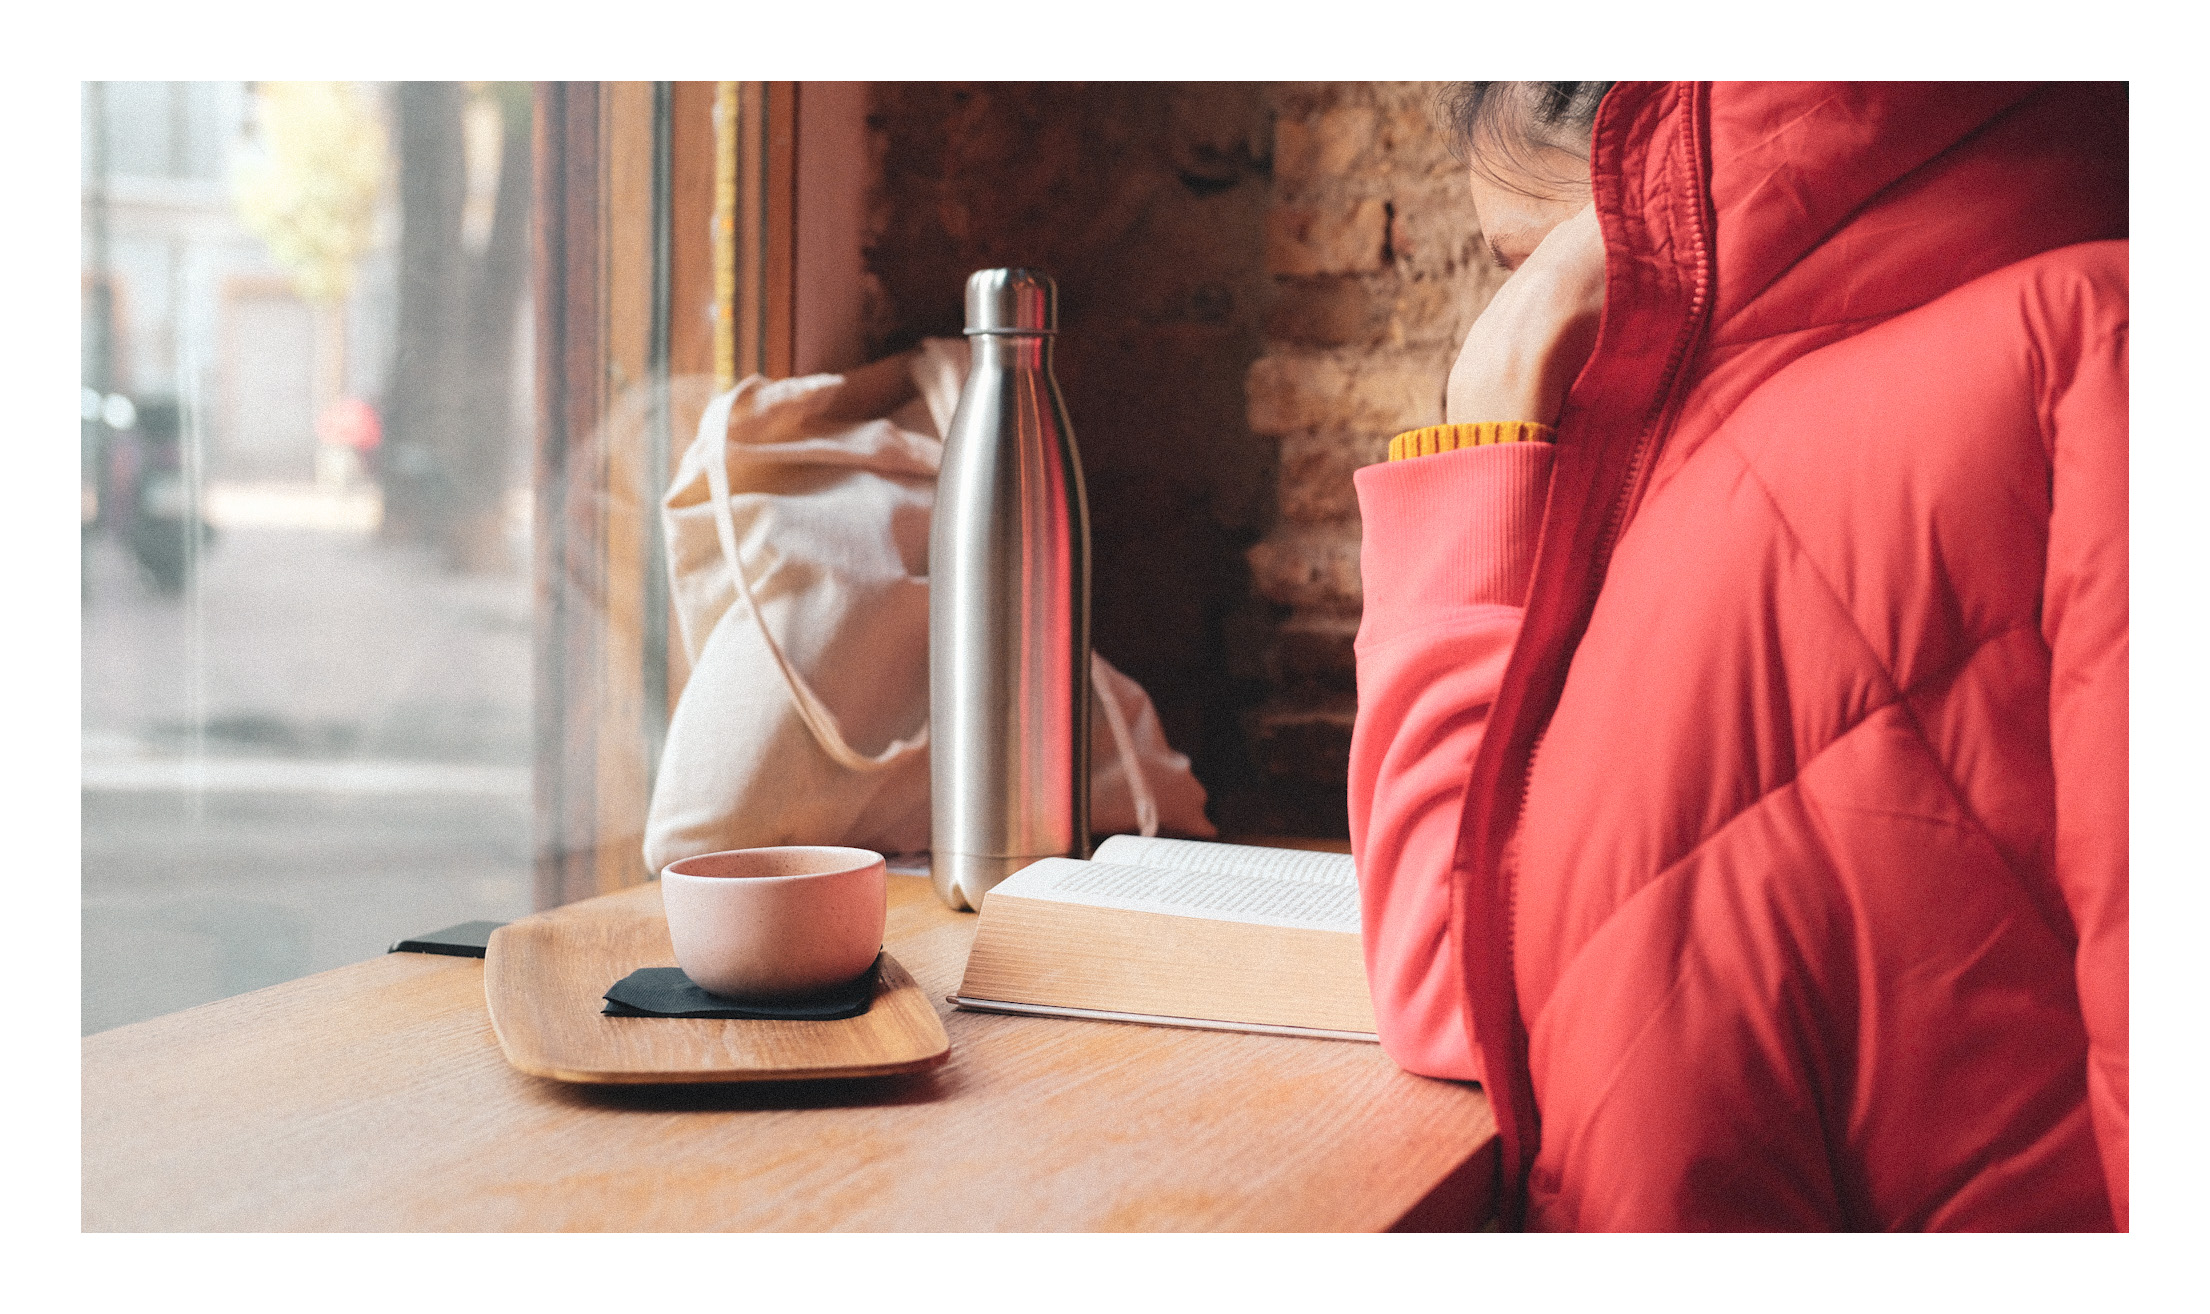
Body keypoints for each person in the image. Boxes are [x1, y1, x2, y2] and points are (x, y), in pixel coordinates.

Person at [1347, 82, 2127, 1230]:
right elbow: (1458, 986)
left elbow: (1446, 990)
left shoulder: (2095, 346)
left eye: (1526, 266)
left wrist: (1481, 432)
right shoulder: (1694, 483)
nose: (1504, 320)